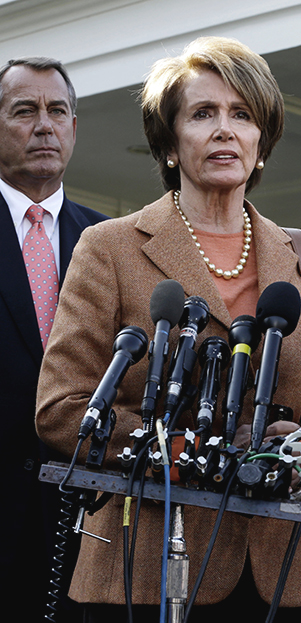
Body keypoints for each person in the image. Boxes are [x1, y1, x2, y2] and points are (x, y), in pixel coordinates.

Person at [35, 37, 301, 622]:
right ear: (168, 140)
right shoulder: (109, 248)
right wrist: (191, 450)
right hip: (143, 566)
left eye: (242, 115)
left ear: (261, 140)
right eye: (202, 114)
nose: (224, 131)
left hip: (271, 571)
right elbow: (63, 408)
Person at [0, 57, 107, 619]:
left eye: (57, 111)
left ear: (72, 127)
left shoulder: (111, 245)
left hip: (87, 520)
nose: (45, 125)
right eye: (24, 111)